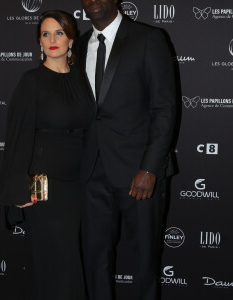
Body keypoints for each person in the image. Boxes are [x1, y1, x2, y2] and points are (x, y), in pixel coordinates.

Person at [77, 0, 178, 300]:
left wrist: (149, 168)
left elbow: (164, 109)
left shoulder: (148, 39)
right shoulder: (79, 45)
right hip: (92, 174)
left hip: (140, 175)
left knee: (144, 264)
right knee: (95, 263)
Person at [0, 10, 93, 300]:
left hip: (78, 184)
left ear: (71, 40)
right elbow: (17, 136)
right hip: (45, 188)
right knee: (56, 262)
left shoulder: (83, 80)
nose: (53, 39)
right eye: (46, 34)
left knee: (70, 260)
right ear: (39, 42)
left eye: (59, 33)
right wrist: (17, 187)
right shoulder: (32, 81)